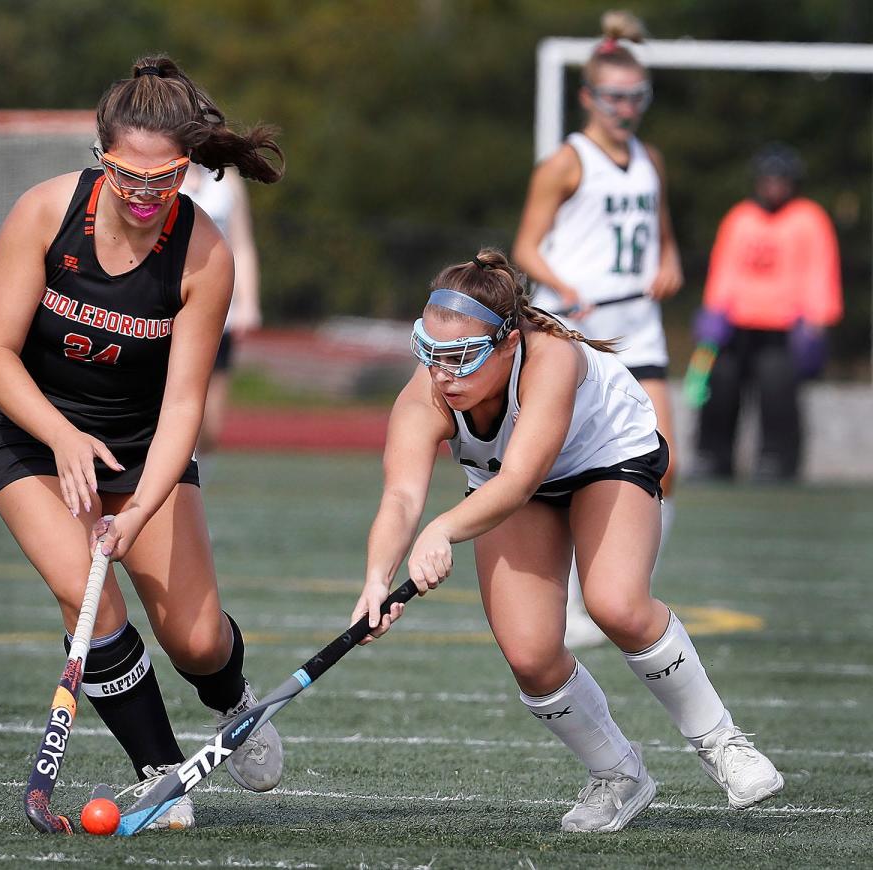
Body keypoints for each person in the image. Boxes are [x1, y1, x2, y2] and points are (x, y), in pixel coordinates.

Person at [351, 248, 784, 833]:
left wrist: (443, 529)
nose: (443, 375)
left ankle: (721, 741)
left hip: (606, 456)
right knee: (530, 653)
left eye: (461, 358)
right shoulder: (426, 396)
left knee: (615, 604)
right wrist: (378, 580)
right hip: (509, 483)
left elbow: (523, 478)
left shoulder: (550, 358)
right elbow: (401, 496)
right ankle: (618, 775)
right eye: (430, 355)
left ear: (508, 343)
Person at [0, 55, 285, 830]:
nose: (145, 196)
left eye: (165, 178)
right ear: (101, 154)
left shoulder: (205, 254)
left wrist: (140, 509)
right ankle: (158, 771)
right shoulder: (44, 215)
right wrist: (61, 434)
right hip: (27, 432)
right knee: (88, 593)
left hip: (144, 444)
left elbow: (184, 406)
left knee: (199, 639)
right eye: (126, 175)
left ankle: (232, 698)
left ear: (189, 166)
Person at [512, 11, 682, 647]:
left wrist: (668, 265)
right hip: (580, 337)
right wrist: (569, 288)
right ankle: (582, 603)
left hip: (641, 329)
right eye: (614, 97)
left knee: (665, 465)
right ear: (588, 97)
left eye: (636, 97)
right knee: (573, 464)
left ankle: (621, 591)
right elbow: (526, 247)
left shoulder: (650, 159)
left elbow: (663, 242)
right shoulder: (565, 162)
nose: (626, 109)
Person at [692, 142, 843, 481]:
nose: (774, 185)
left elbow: (821, 269)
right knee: (719, 390)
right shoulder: (740, 217)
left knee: (779, 397)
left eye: (781, 179)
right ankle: (713, 456)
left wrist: (817, 320)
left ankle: (777, 460)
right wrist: (713, 312)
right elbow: (724, 267)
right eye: (768, 179)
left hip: (783, 326)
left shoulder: (809, 218)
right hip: (736, 325)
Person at [181, 164, 261, 457]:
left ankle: (194, 482)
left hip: (217, 314)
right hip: (172, 312)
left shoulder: (228, 180)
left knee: (210, 424)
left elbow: (241, 245)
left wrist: (249, 302)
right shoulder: (162, 176)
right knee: (172, 410)